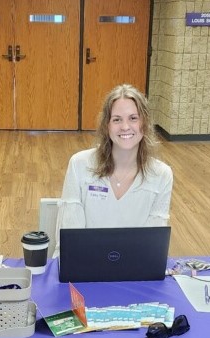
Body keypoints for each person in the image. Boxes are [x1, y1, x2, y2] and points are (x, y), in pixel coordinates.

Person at [57, 84, 172, 240]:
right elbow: (71, 238)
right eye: (117, 119)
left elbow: (152, 243)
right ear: (107, 126)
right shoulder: (79, 165)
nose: (125, 127)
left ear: (144, 124)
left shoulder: (162, 175)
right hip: (86, 262)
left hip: (134, 263)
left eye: (133, 118)